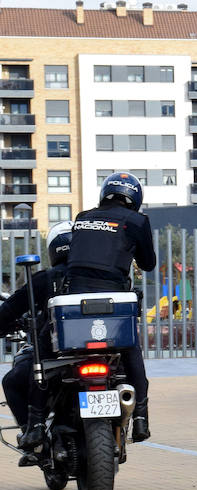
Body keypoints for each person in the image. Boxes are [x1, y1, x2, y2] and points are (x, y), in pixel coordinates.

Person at [65, 172, 157, 442]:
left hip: (75, 300)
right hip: (112, 301)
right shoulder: (137, 221)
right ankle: (140, 417)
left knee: (63, 359)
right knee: (130, 353)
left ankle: (39, 420)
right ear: (135, 198)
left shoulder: (82, 218)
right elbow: (148, 263)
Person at [0, 222, 74, 464]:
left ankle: (35, 440)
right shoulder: (99, 275)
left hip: (52, 356)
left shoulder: (45, 279)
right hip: (106, 354)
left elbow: (9, 309)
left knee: (11, 381)